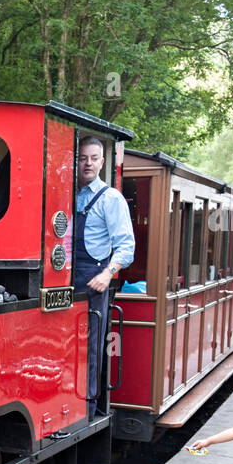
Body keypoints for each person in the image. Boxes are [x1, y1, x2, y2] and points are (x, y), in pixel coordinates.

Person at [75, 136, 134, 417]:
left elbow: (127, 247)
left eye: (93, 158)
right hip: (62, 279)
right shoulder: (64, 195)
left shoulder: (110, 198)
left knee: (90, 346)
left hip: (92, 280)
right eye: (83, 157)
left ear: (102, 162)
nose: (88, 163)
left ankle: (86, 406)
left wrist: (107, 274)